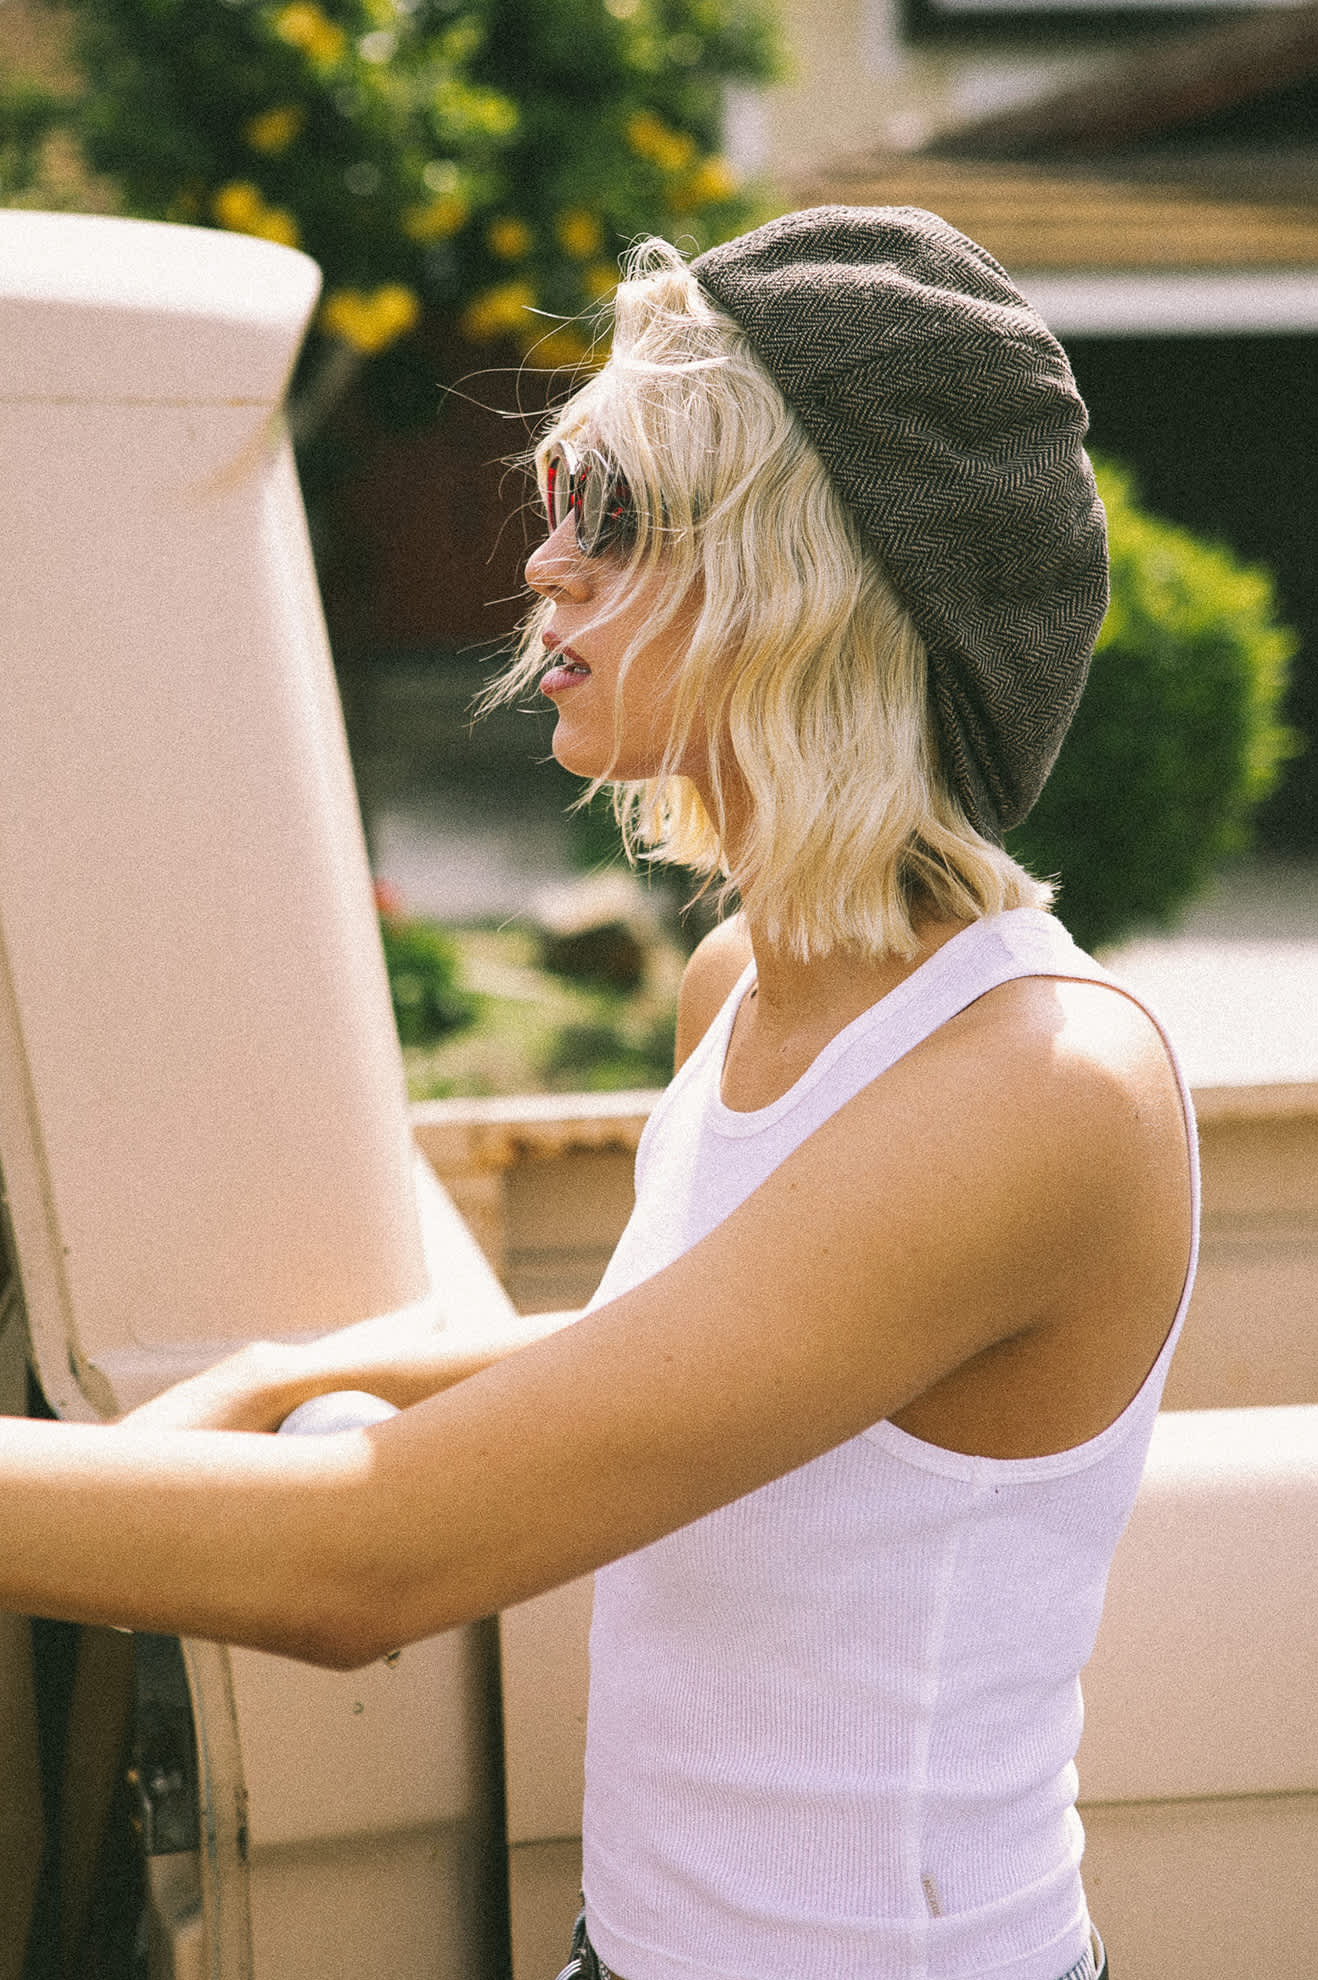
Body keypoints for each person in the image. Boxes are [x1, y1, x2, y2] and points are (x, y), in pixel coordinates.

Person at [0, 208, 1196, 1980]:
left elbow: (372, 1565)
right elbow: (670, 1346)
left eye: (614, 512)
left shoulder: (1033, 1091)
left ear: (815, 573)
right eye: (556, 492)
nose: (545, 564)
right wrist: (278, 1374)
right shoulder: (748, 984)